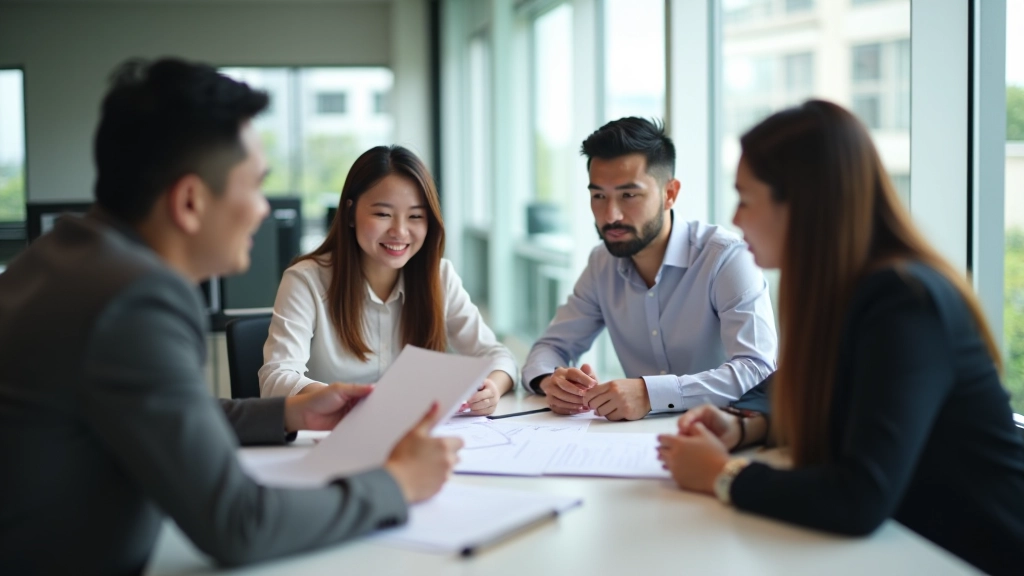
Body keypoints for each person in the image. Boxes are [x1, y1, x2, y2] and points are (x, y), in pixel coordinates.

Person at [0, 58, 463, 575]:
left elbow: (169, 414)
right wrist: (397, 483)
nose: (264, 209)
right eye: (255, 185)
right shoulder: (135, 300)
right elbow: (240, 524)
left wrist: (289, 413)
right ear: (192, 201)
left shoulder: (66, 258)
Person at [656, 100, 1024, 576]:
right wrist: (743, 427)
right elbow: (843, 408)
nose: (736, 217)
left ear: (803, 204)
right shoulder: (845, 292)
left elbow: (859, 496)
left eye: (746, 198)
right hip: (911, 547)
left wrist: (722, 476)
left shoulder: (904, 300)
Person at [521, 117, 777, 421]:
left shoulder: (726, 258)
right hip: (635, 438)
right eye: (599, 196)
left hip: (725, 435)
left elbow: (756, 368)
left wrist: (649, 393)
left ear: (669, 193)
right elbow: (551, 347)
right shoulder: (601, 263)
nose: (611, 214)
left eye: (629, 195)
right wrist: (552, 382)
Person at [259, 145, 517, 416]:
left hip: (415, 438)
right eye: (383, 214)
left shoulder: (439, 277)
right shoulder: (306, 280)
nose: (400, 231)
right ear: (349, 213)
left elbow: (498, 356)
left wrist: (492, 389)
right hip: (332, 437)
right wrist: (345, 400)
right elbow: (275, 379)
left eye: (416, 216)